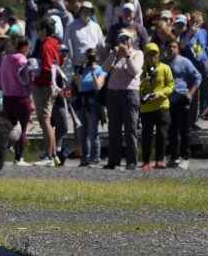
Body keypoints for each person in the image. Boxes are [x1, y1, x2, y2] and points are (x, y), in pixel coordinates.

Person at [102, 30, 143, 170]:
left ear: (132, 41)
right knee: (113, 128)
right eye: (121, 39)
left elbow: (135, 71)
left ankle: (132, 161)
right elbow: (104, 69)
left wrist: (127, 56)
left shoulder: (138, 54)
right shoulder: (115, 55)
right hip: (113, 92)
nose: (124, 41)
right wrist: (113, 55)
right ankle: (114, 160)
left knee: (130, 127)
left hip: (130, 92)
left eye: (127, 38)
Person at [139, 43, 174, 172]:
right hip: (146, 108)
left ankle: (160, 160)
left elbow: (170, 86)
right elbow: (137, 86)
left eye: (155, 54)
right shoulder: (141, 70)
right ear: (145, 55)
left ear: (159, 54)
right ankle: (146, 161)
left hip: (162, 106)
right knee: (146, 135)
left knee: (162, 134)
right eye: (149, 54)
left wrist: (159, 94)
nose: (152, 56)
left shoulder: (165, 68)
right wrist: (144, 83)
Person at [166, 39, 201, 169]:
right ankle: (173, 157)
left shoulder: (184, 61)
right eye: (169, 46)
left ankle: (185, 158)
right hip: (168, 100)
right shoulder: (164, 62)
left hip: (182, 98)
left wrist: (190, 93)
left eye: (174, 46)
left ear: (178, 49)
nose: (171, 49)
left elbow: (198, 77)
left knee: (184, 130)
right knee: (172, 130)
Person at [0, 36, 32, 165]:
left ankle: (1, 155)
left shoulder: (5, 59)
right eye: (27, 48)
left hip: (7, 98)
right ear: (23, 47)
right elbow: (28, 80)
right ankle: (18, 158)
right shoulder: (23, 60)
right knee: (22, 129)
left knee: (8, 128)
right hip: (21, 98)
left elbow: (0, 78)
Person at [32, 18, 60, 166]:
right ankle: (53, 154)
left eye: (39, 29)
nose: (37, 32)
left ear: (44, 30)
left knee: (45, 121)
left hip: (44, 86)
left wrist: (35, 73)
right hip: (49, 85)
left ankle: (48, 156)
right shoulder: (53, 43)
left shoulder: (46, 45)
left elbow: (47, 68)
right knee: (47, 121)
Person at [72, 48, 106, 166]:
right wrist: (78, 72)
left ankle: (95, 157)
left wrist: (92, 72)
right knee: (82, 132)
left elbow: (98, 87)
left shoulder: (100, 70)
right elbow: (78, 85)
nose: (90, 59)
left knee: (93, 132)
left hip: (93, 102)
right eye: (88, 56)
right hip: (82, 101)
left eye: (91, 57)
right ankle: (84, 157)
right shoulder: (83, 69)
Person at [179, 12, 208, 129]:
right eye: (193, 21)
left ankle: (200, 119)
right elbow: (182, 46)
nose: (195, 24)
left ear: (201, 22)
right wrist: (190, 33)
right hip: (191, 69)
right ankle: (190, 120)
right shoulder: (185, 33)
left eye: (198, 21)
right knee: (192, 94)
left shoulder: (204, 32)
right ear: (190, 22)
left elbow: (205, 47)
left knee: (203, 94)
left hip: (204, 66)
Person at [65, 1, 105, 67]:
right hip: (78, 66)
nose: (86, 13)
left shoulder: (96, 26)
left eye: (89, 11)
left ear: (92, 13)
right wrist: (71, 66)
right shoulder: (72, 26)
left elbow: (101, 46)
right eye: (84, 11)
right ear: (80, 12)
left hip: (94, 65)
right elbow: (68, 46)